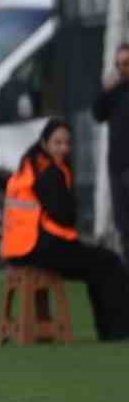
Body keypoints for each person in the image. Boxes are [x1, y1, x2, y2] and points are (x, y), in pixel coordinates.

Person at [0, 118, 129, 341]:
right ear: (45, 143)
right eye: (57, 143)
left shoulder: (28, 165)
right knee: (110, 263)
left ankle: (111, 330)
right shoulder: (50, 172)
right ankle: (116, 331)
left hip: (19, 249)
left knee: (99, 265)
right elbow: (65, 216)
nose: (63, 148)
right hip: (42, 247)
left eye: (67, 143)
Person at [90, 41, 129, 263]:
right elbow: (98, 113)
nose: (122, 68)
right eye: (119, 64)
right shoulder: (114, 92)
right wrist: (105, 90)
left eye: (126, 63)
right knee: (123, 225)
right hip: (117, 167)